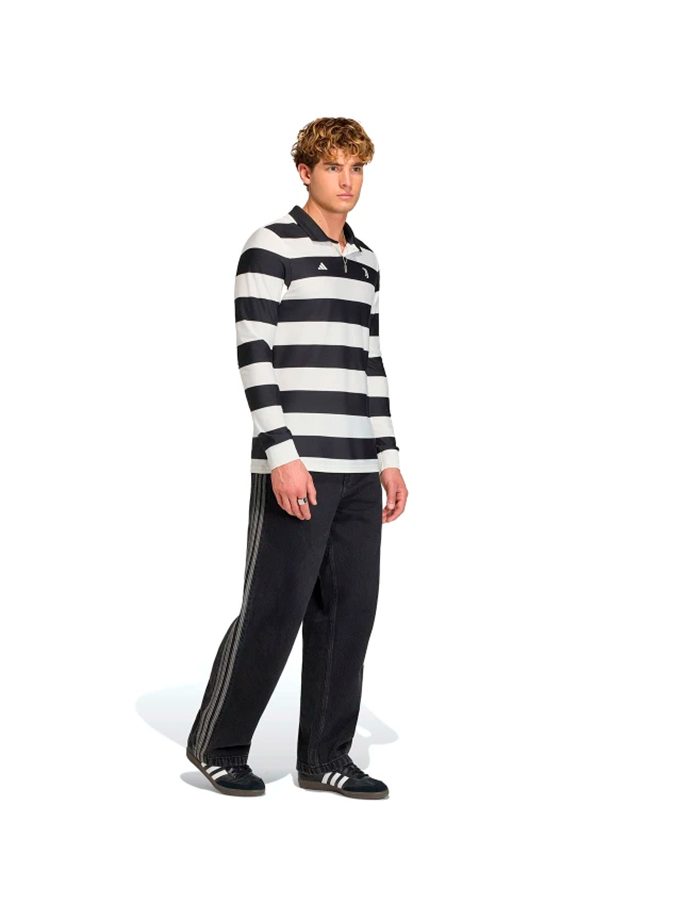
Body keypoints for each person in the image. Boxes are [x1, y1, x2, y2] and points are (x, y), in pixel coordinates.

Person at [186, 116, 409, 799]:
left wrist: (388, 456)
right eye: (334, 166)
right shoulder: (270, 245)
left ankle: (325, 757)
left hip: (358, 468)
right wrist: (281, 455)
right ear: (306, 172)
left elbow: (370, 362)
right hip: (297, 463)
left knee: (350, 613)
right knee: (275, 607)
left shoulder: (366, 260)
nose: (348, 180)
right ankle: (218, 744)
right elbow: (254, 354)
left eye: (357, 168)